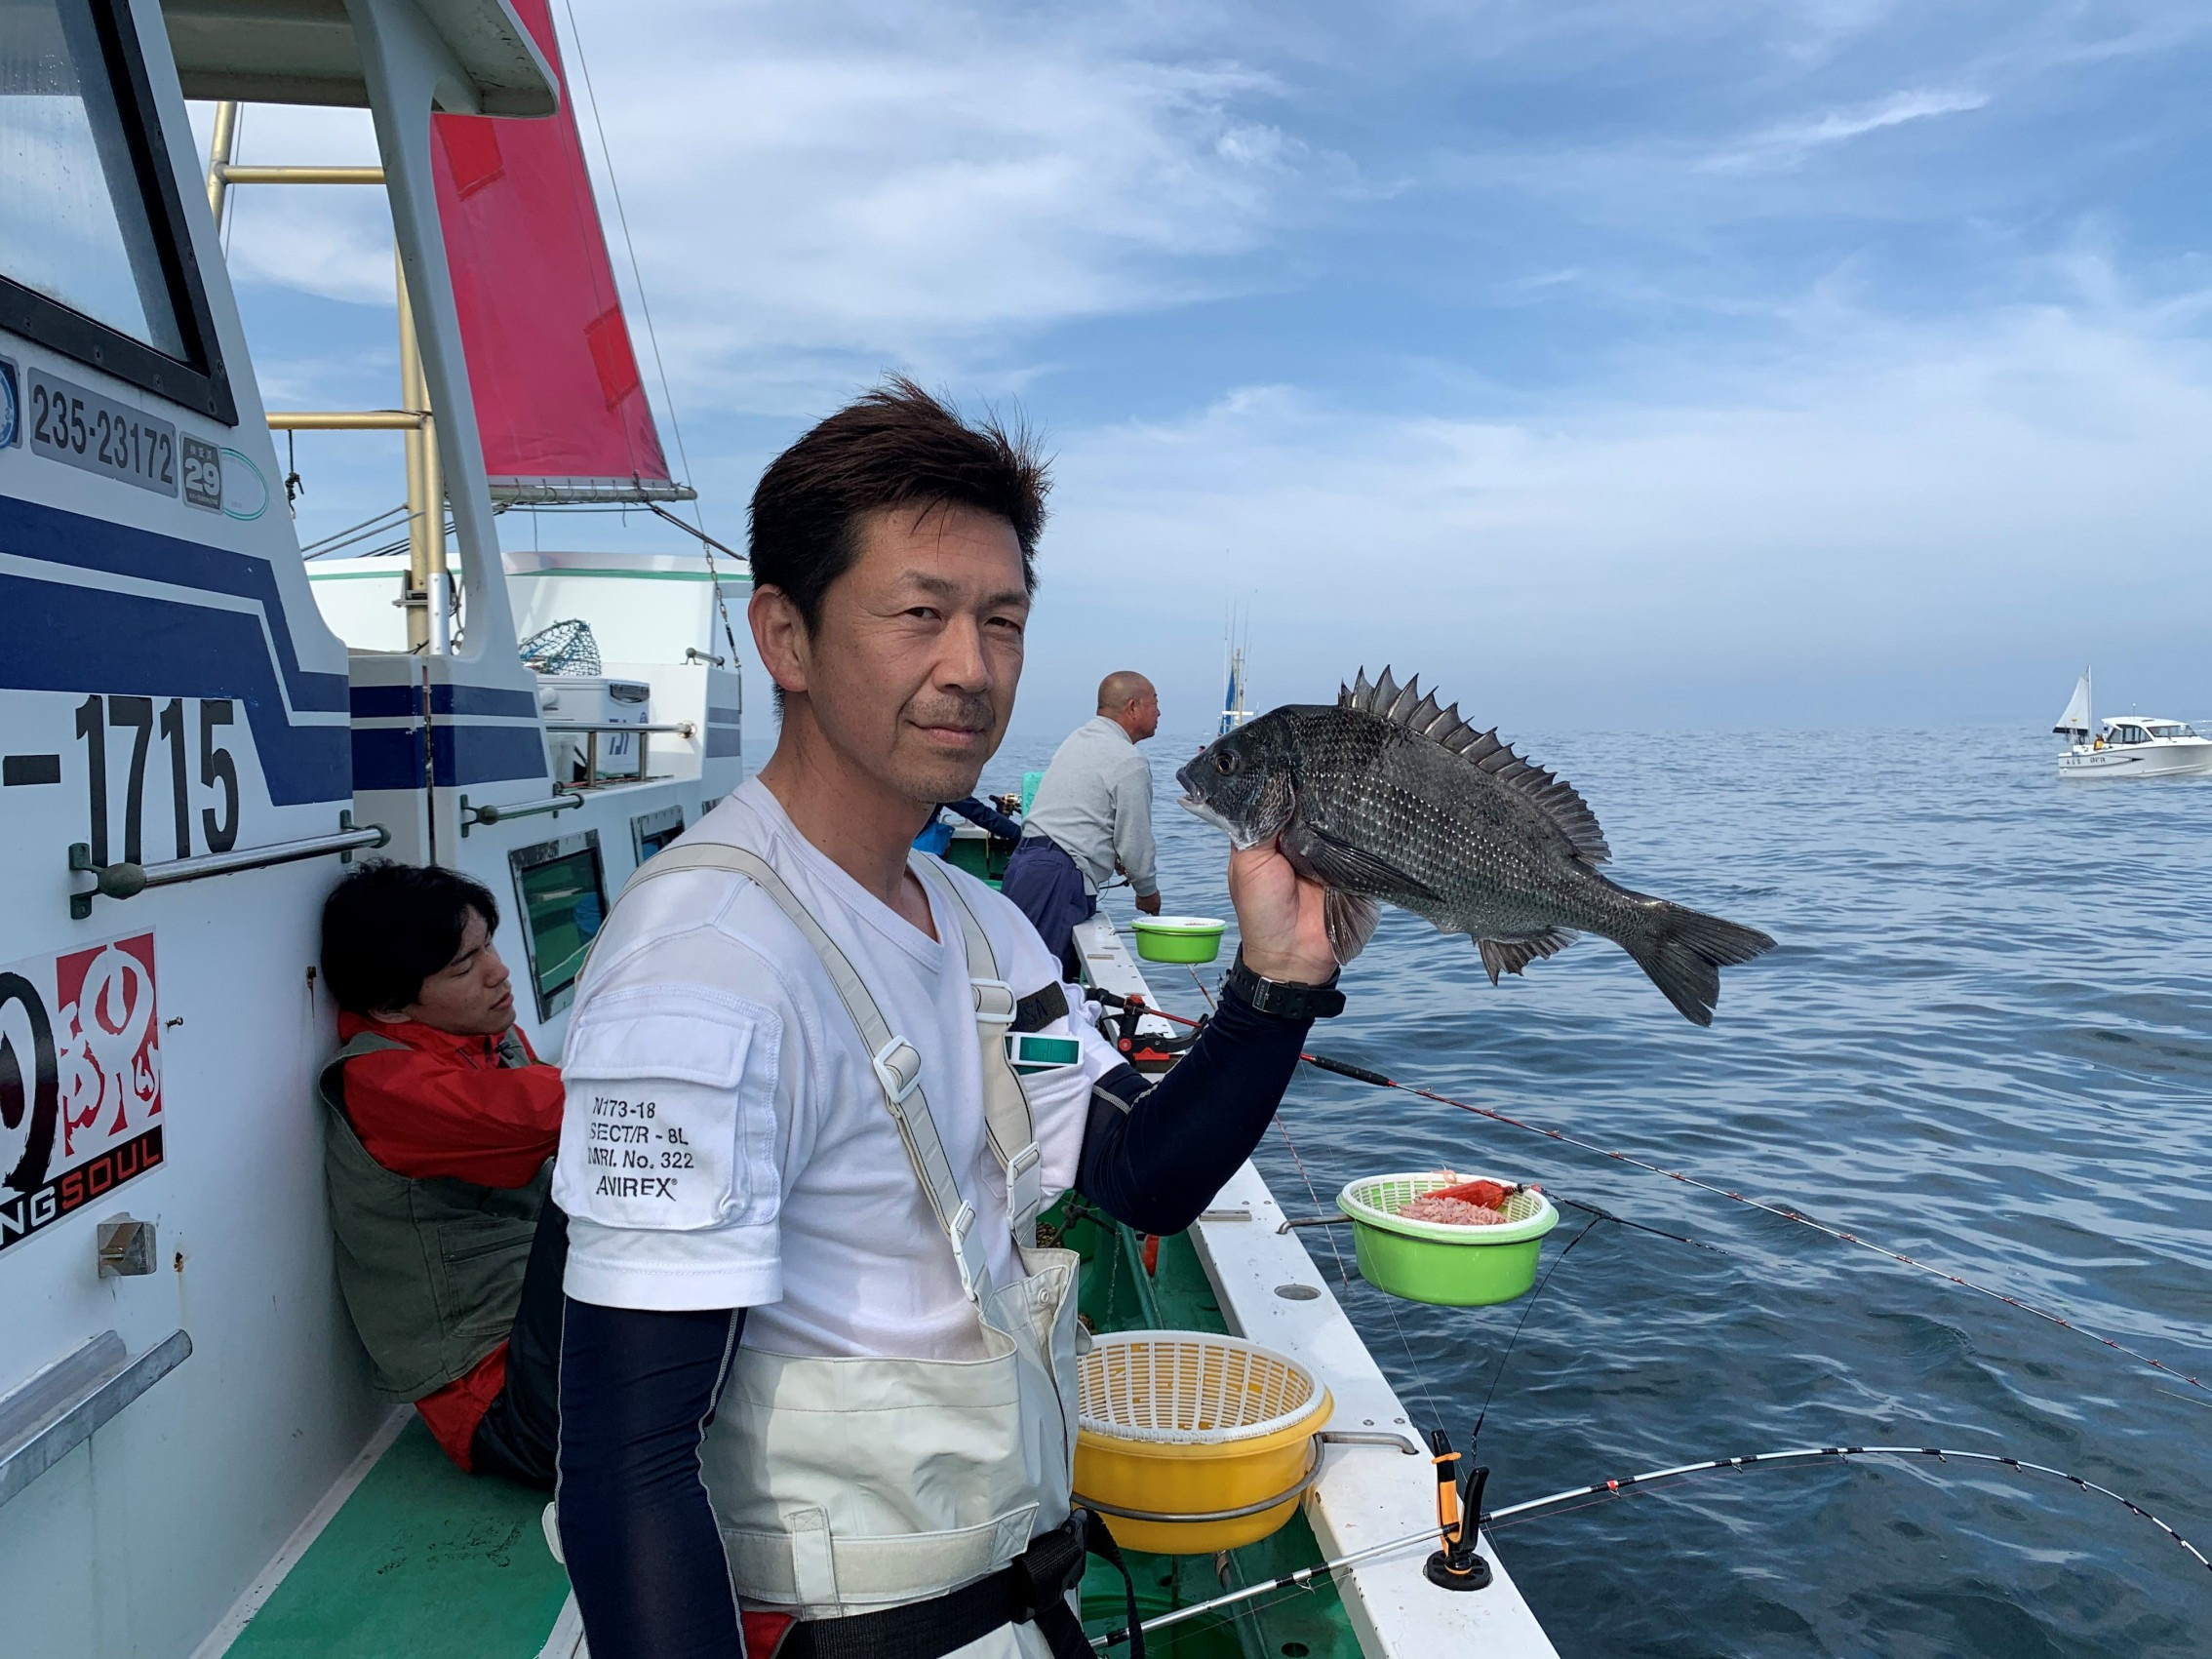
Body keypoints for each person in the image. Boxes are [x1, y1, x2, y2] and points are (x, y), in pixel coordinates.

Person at [551, 378, 1343, 1659]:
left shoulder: (983, 929)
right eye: (919, 614)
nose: (971, 668)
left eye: (1002, 621)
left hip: (1006, 1597)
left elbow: (1138, 1174)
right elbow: (626, 1467)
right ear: (786, 637)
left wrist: (1278, 984)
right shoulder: (704, 964)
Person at [317, 861, 569, 1488]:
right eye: (463, 968)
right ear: (390, 1006)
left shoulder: (482, 1034)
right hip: (512, 1406)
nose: (498, 972)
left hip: (549, 1347)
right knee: (618, 1178)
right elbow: (567, 1109)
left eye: (489, 946)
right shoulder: (383, 1083)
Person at [1003, 671, 1164, 977]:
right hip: (1057, 877)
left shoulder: (1078, 739)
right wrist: (1147, 893)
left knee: (1018, 974)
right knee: (1043, 984)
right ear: (1132, 707)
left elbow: (1079, 815)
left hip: (1024, 864)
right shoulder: (1129, 760)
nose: (1159, 712)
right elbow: (1135, 842)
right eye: (1155, 703)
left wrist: (1109, 855)